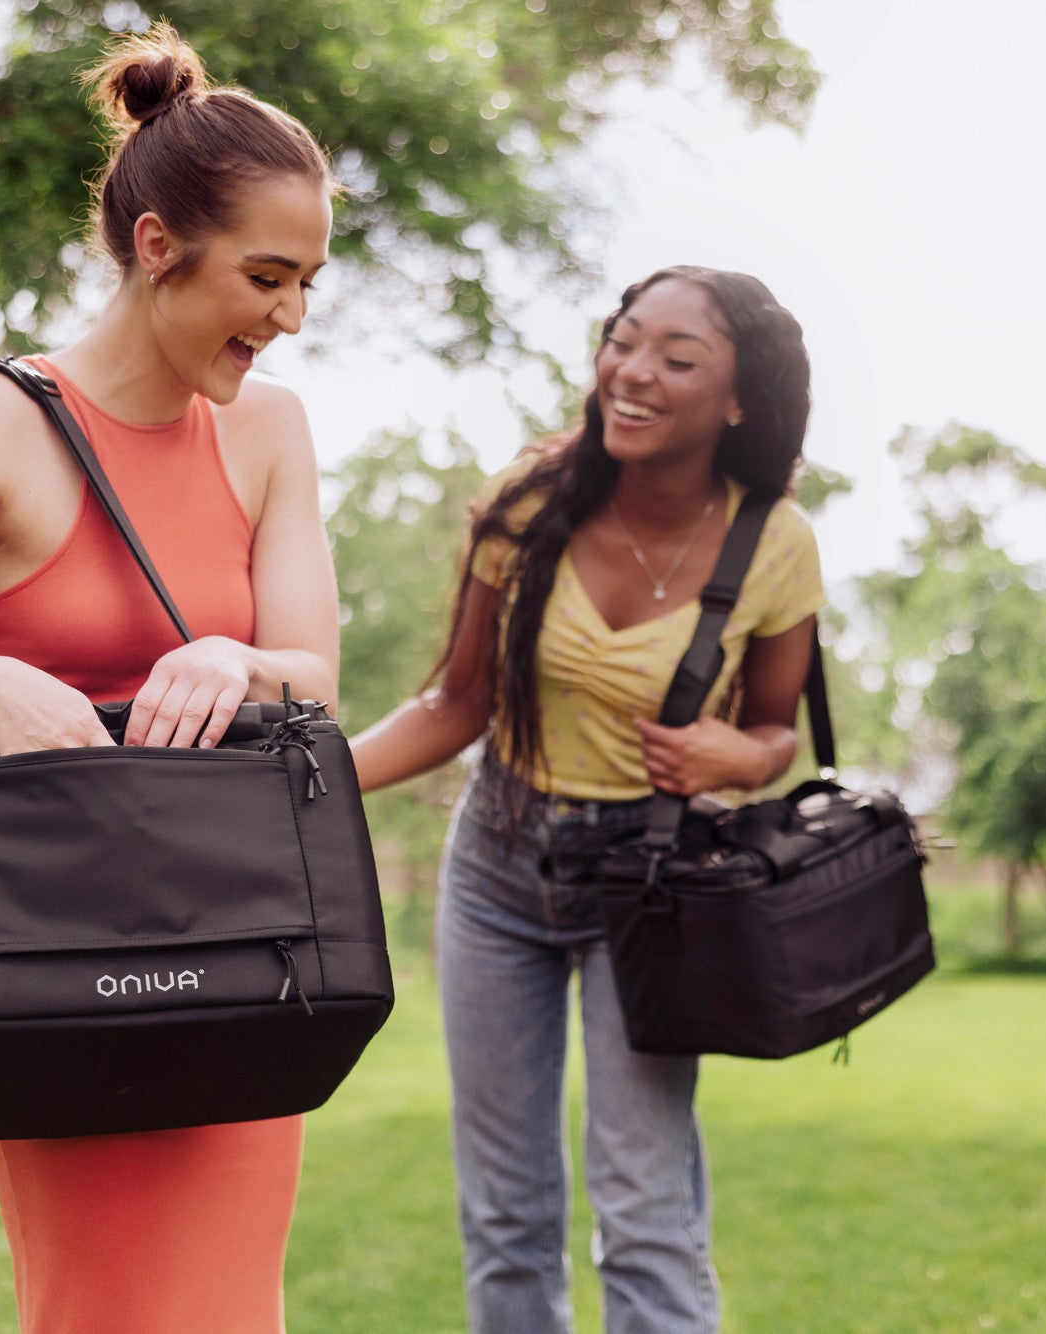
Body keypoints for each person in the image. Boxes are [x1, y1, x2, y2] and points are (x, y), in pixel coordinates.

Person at [0, 26, 338, 1333]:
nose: (289, 317)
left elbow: (310, 677)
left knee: (233, 1308)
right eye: (267, 276)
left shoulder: (268, 432)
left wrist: (233, 652)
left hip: (232, 943)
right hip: (51, 954)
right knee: (98, 1306)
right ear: (158, 246)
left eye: (309, 282)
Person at [350, 266, 823, 1332]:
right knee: (505, 1210)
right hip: (498, 860)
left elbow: (776, 733)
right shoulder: (528, 502)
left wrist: (728, 755)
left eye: (676, 357)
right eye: (622, 338)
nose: (631, 370)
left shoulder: (772, 543)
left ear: (737, 398)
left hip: (651, 885)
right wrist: (313, 779)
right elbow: (456, 699)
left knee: (644, 1205)